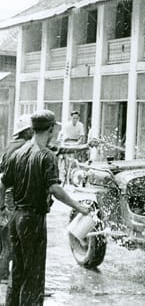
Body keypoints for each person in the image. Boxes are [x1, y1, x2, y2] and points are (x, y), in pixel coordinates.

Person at [0, 110, 90, 306]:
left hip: (16, 217)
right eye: (54, 129)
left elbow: (3, 184)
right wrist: (78, 206)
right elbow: (54, 189)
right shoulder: (46, 156)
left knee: (18, 270)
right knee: (34, 274)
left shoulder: (18, 153)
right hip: (33, 219)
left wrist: (2, 209)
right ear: (50, 129)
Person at [0, 115, 34, 281]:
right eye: (32, 130)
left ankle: (5, 276)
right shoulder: (23, 148)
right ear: (26, 131)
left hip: (7, 198)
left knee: (7, 241)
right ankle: (4, 277)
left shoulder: (11, 146)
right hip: (12, 199)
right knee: (11, 242)